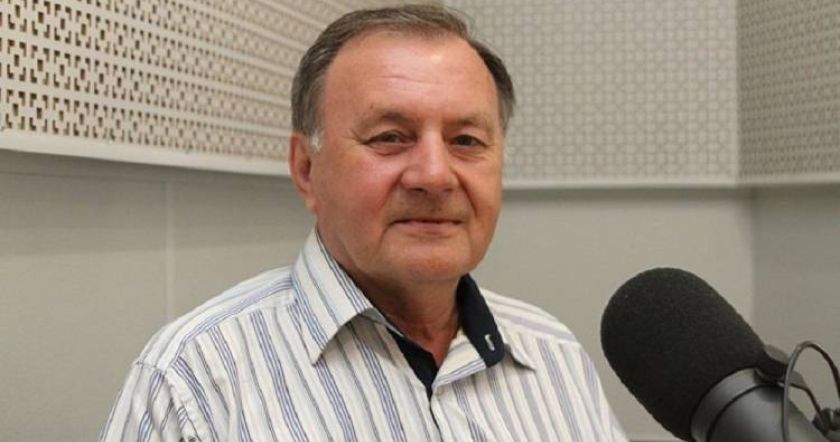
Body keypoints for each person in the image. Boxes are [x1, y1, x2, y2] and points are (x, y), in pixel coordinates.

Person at [100, 5, 627, 441]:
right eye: (390, 138)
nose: (434, 176)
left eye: (466, 141)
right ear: (306, 170)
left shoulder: (554, 355)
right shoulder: (197, 382)